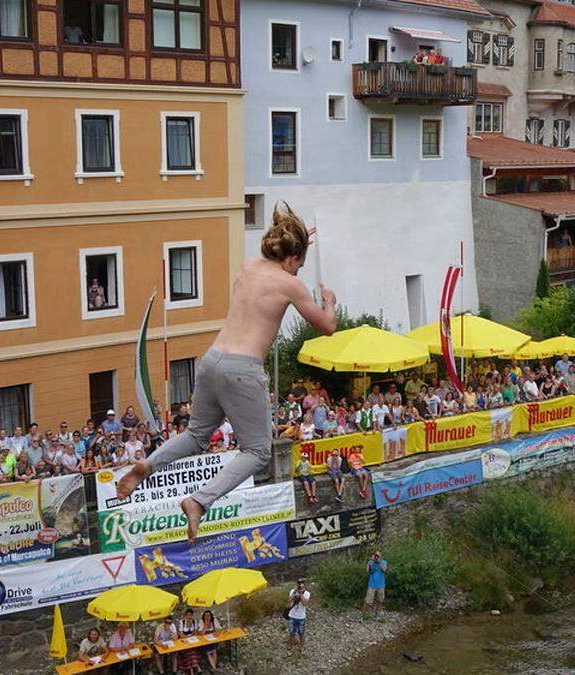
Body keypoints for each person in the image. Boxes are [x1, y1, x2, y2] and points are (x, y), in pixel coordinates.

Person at [116, 203, 338, 544]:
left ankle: (148, 464)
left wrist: (300, 241)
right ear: (292, 258)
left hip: (212, 360)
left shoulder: (248, 267)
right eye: (299, 264)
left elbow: (280, 261)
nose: (298, 272)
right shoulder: (291, 284)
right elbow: (327, 328)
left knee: (195, 435)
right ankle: (199, 501)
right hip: (243, 370)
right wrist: (329, 301)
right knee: (258, 451)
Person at [286, 578, 311, 654]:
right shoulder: (292, 591)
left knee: (301, 633)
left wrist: (300, 594)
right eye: (299, 584)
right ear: (296, 584)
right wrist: (294, 593)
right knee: (291, 632)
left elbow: (305, 604)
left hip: (301, 617)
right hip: (292, 616)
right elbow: (288, 602)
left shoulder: (307, 593)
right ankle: (291, 645)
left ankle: (301, 646)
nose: (300, 586)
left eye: (302, 584)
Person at [364, 550, 389, 616]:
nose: (376, 557)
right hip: (372, 585)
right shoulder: (371, 562)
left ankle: (377, 614)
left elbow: (384, 570)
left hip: (381, 585)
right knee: (368, 600)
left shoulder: (383, 562)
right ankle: (364, 615)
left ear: (381, 556)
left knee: (380, 600)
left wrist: (379, 562)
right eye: (375, 555)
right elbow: (367, 571)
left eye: (378, 555)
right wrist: (370, 562)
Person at [178, 608, 201, 674]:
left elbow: (196, 633)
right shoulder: (182, 622)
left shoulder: (194, 621)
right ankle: (194, 668)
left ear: (192, 615)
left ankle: (194, 668)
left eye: (190, 615)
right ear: (185, 616)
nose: (189, 617)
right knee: (189, 651)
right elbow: (181, 635)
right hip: (184, 642)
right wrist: (190, 635)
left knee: (194, 650)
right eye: (187, 615)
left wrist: (191, 625)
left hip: (192, 641)